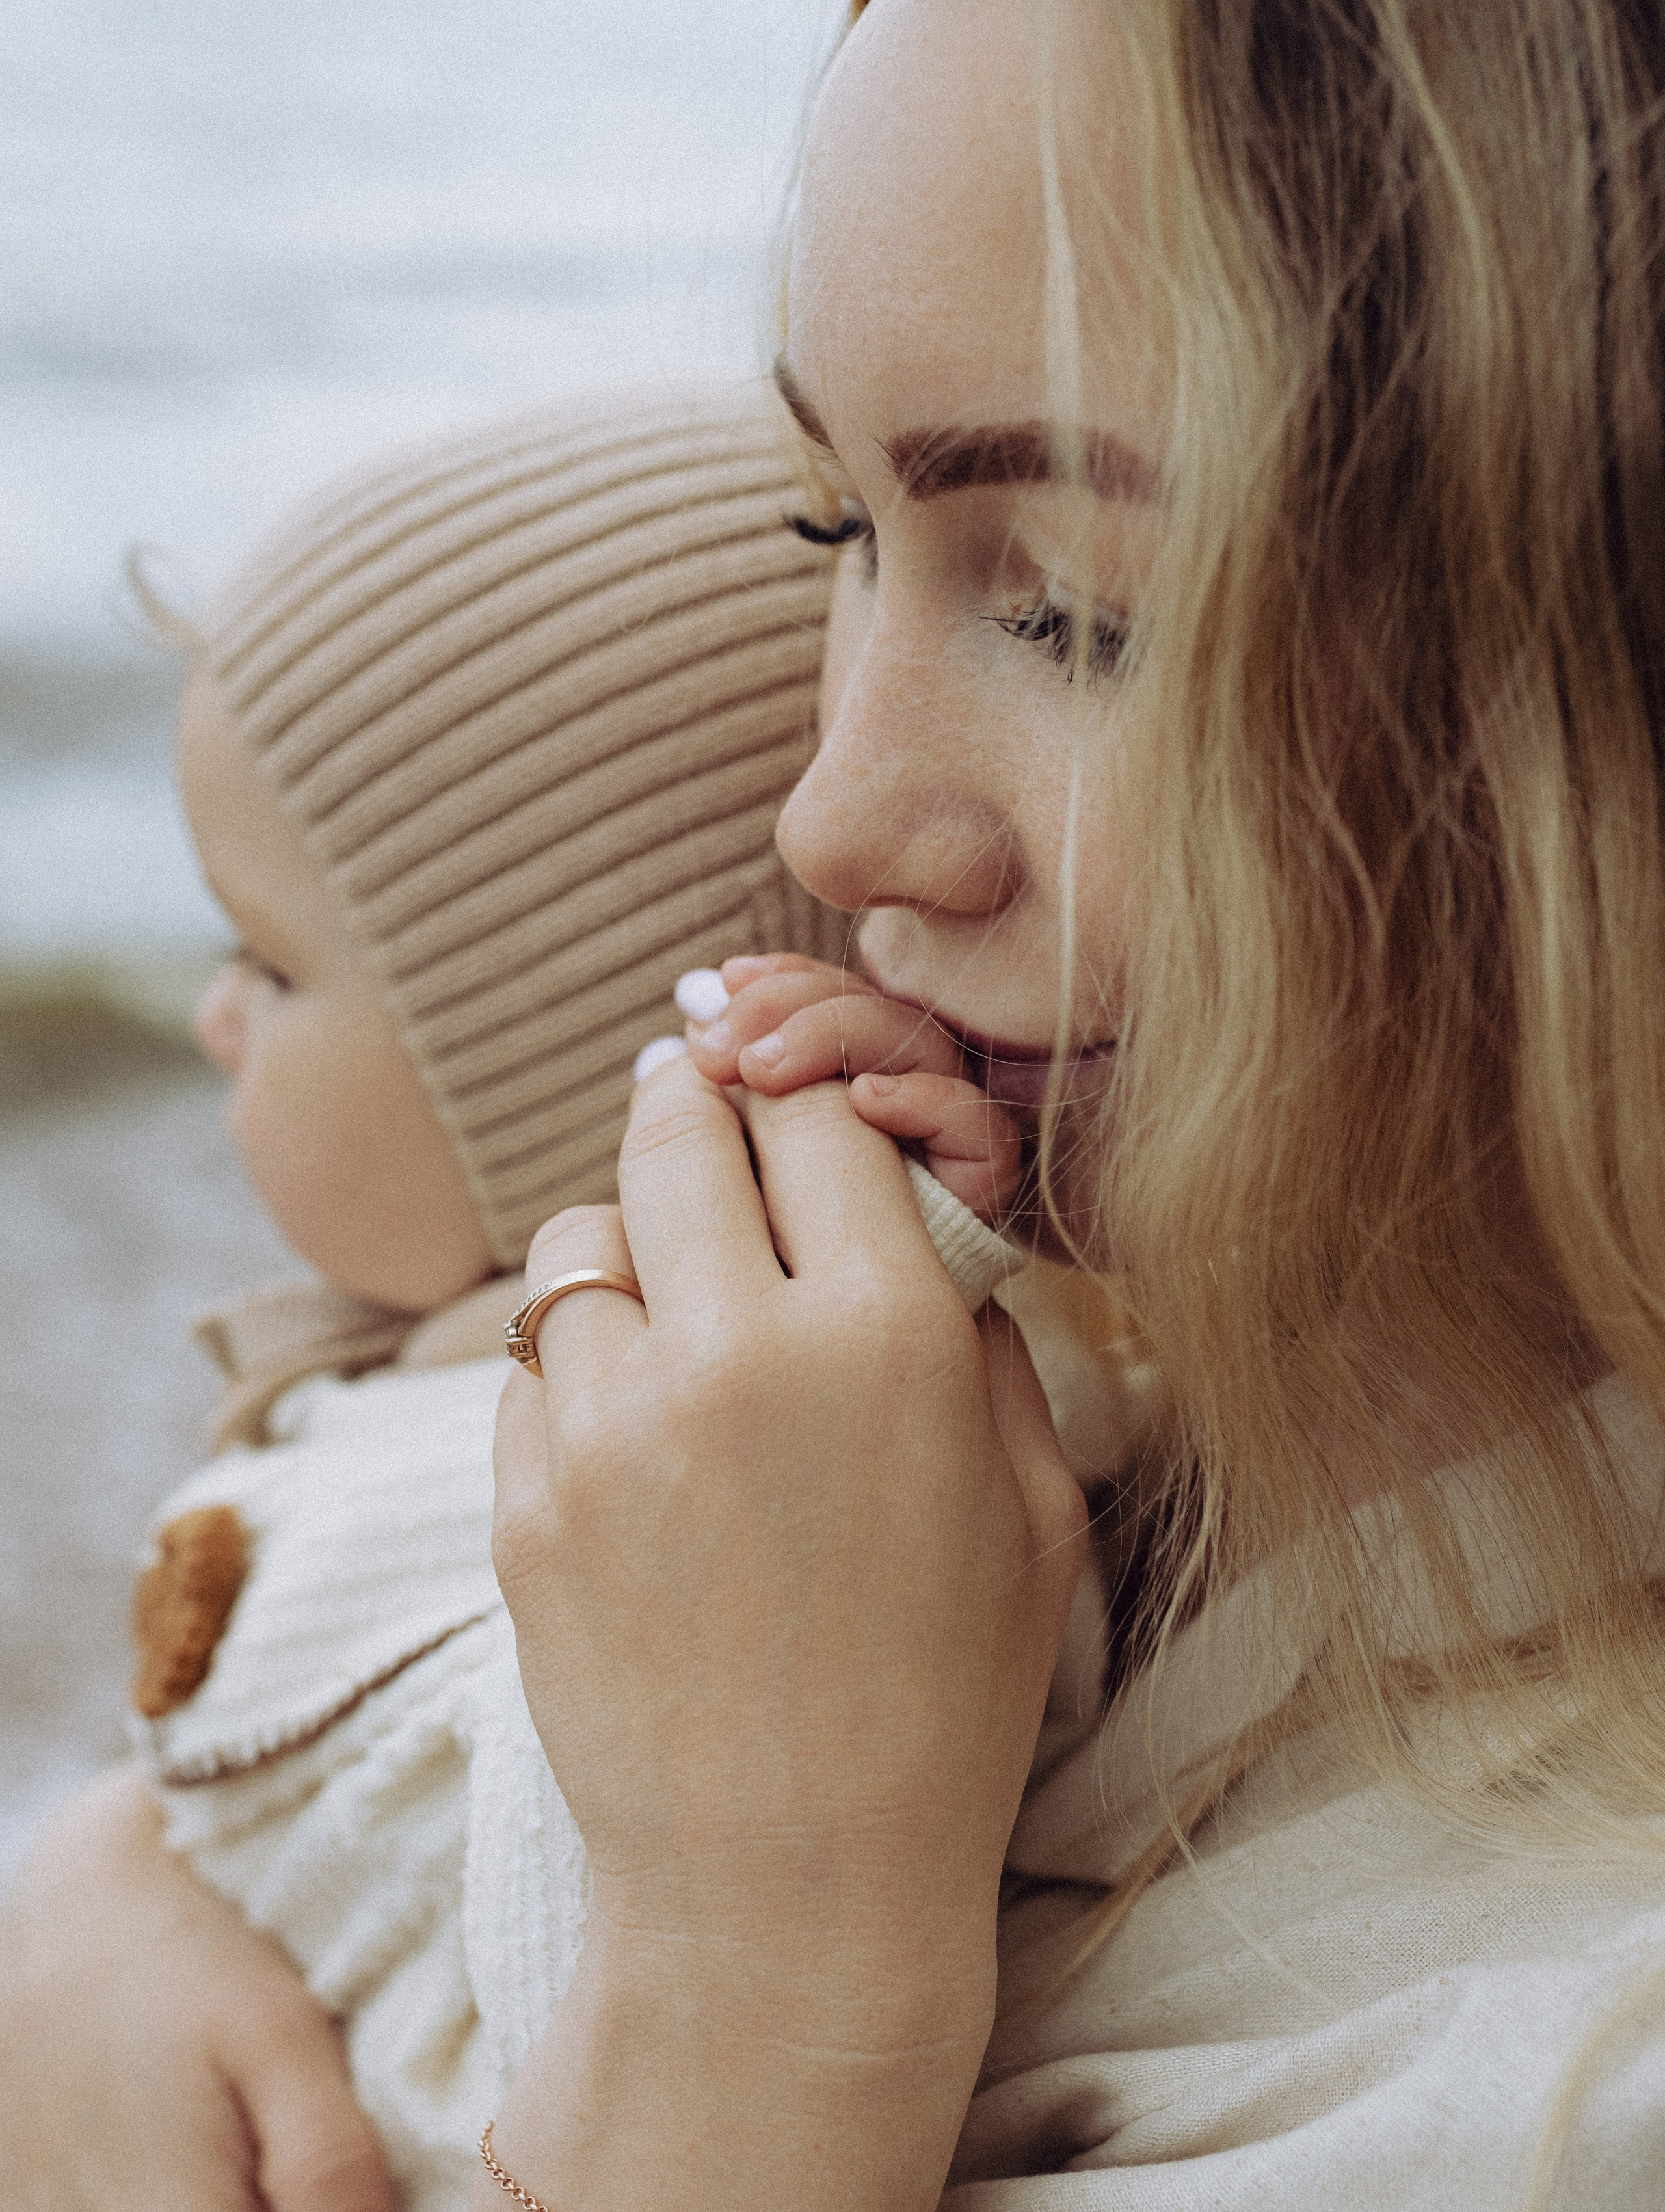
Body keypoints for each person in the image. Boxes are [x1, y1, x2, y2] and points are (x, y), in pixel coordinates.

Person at [7, 0, 1665, 2206]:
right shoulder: (1226, 1389)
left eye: (1074, 608)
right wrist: (121, 1880)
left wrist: (753, 1986)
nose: (837, 814)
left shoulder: (1539, 2085)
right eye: (831, 528)